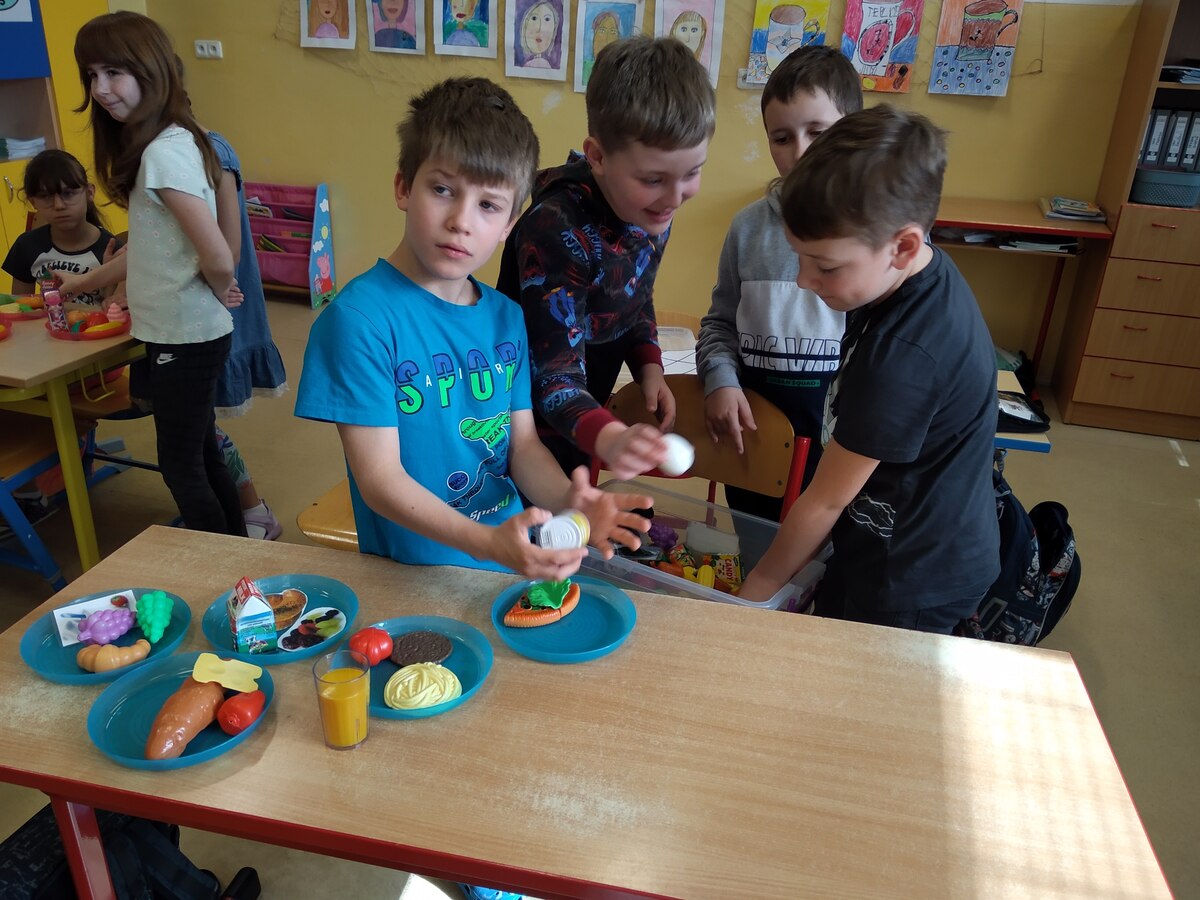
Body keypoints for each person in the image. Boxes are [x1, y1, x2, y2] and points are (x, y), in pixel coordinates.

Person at [295, 77, 651, 590]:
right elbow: (380, 481)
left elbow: (522, 447)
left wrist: (571, 503)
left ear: (509, 225)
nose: (461, 221)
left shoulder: (506, 317)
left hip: (505, 567)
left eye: (489, 205)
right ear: (403, 187)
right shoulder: (360, 320)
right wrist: (486, 543)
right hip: (409, 576)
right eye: (442, 189)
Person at [738, 105, 1000, 635]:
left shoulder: (902, 357)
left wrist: (749, 597)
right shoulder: (909, 274)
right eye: (799, 257)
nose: (804, 281)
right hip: (890, 536)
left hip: (909, 578)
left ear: (902, 246)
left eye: (825, 266)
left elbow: (826, 500)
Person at [496, 36, 715, 480]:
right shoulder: (555, 230)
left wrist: (648, 363)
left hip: (583, 409)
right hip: (520, 427)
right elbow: (553, 377)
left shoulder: (651, 208)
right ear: (597, 157)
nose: (675, 198)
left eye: (692, 173)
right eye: (653, 179)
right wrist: (611, 437)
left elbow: (635, 290)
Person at [71, 11, 246, 538]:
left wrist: (220, 288)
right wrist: (85, 283)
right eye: (91, 76)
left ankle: (220, 565)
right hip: (181, 331)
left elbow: (219, 256)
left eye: (114, 73)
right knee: (202, 451)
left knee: (181, 464)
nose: (100, 90)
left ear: (150, 70)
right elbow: (156, 249)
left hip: (184, 335)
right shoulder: (175, 141)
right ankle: (238, 555)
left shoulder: (163, 154)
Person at [696, 45, 860, 523]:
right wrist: (720, 381)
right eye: (782, 138)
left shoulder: (875, 237)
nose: (801, 152)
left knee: (827, 561)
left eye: (818, 132)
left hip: (843, 460)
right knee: (759, 553)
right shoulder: (747, 229)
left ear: (853, 130)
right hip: (756, 448)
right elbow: (719, 324)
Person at [206, 128, 288, 540]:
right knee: (192, 436)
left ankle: (251, 511)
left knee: (198, 434)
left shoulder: (212, 152)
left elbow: (228, 251)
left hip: (204, 316)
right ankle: (245, 511)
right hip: (175, 321)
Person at [3, 149, 120, 306]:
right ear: (33, 202)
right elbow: (21, 307)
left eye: (68, 193)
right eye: (45, 196)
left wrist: (110, 282)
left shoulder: (113, 251)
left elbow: (116, 311)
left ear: (89, 193)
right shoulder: (26, 246)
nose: (58, 205)